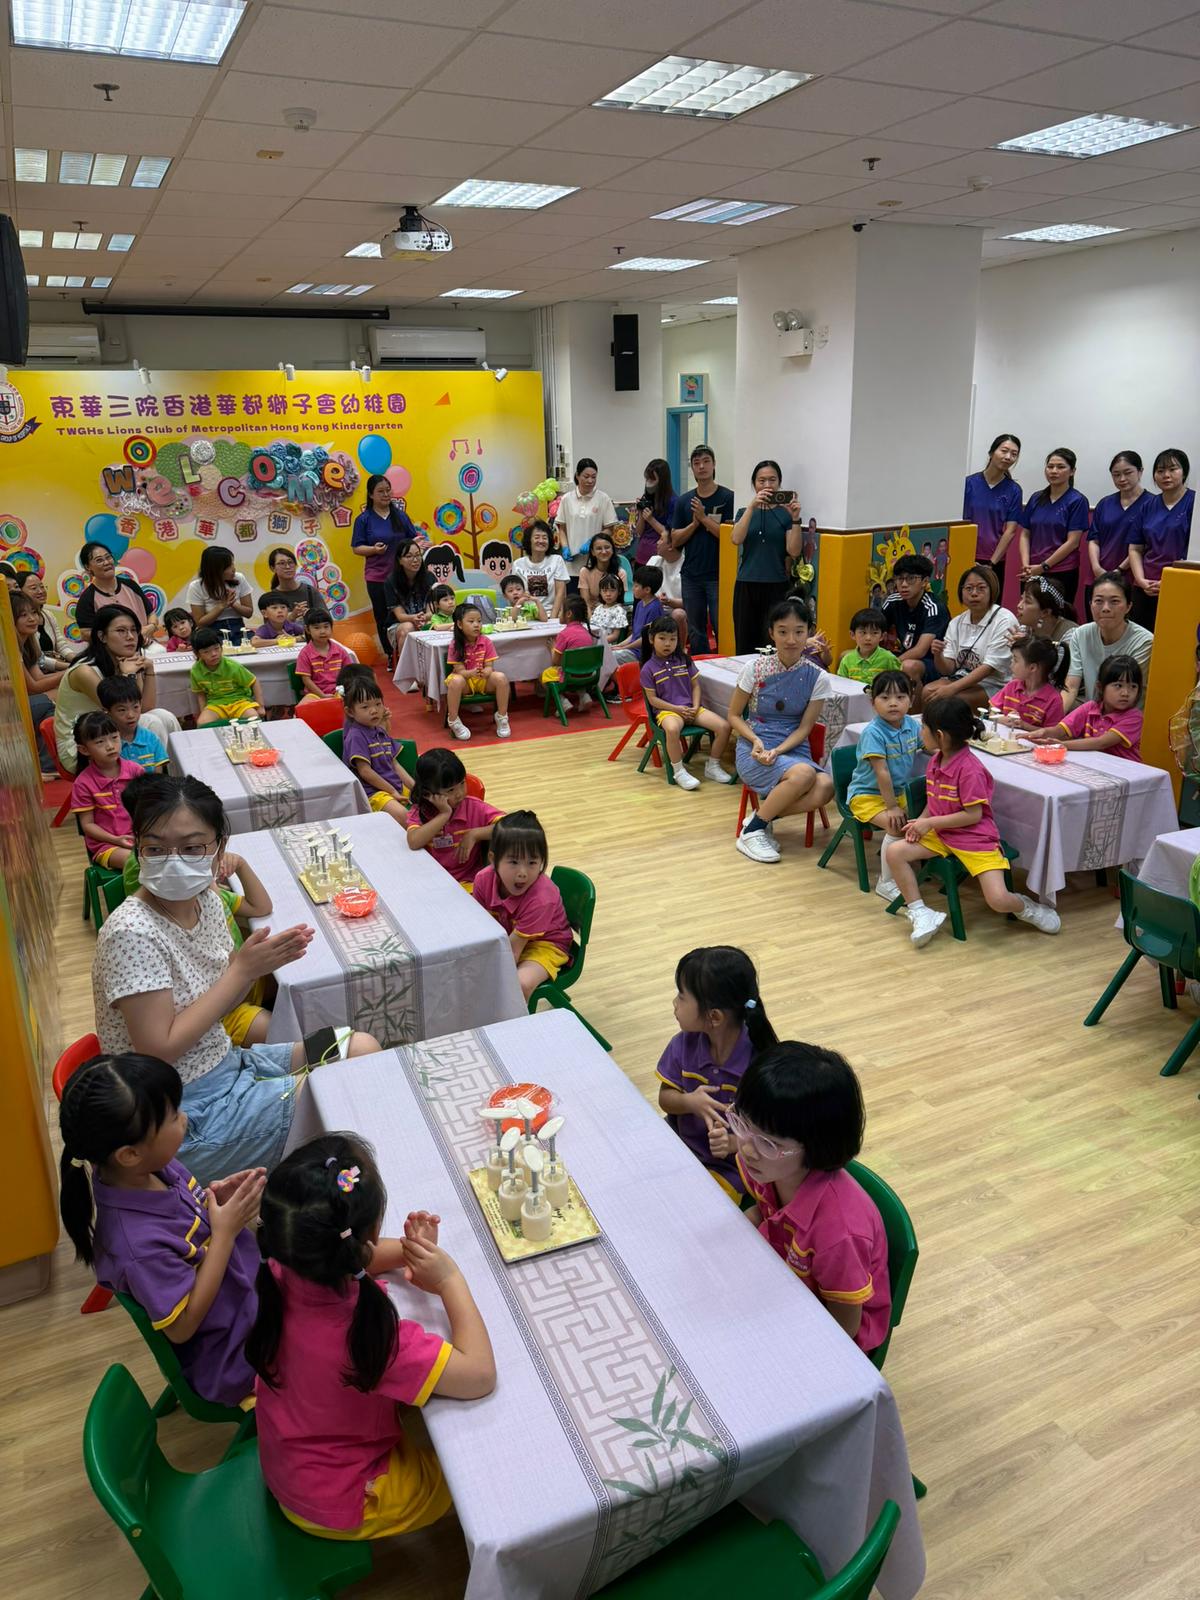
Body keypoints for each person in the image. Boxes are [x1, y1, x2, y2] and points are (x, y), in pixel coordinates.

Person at [92, 773, 380, 1183]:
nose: (173, 861)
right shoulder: (132, 933)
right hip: (181, 1114)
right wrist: (243, 970)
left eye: (191, 847)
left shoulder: (206, 900)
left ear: (218, 849)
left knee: (359, 1048)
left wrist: (251, 968)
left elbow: (226, 999)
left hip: (230, 1066)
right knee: (336, 1093)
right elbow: (157, 1050)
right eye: (156, 848)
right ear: (138, 847)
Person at [246, 1133, 495, 1542]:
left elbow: (349, 1256)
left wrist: (412, 1251)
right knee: (476, 1478)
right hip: (338, 1498)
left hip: (292, 1459)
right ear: (373, 1230)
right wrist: (448, 1279)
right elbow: (480, 1374)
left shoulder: (280, 1268)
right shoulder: (371, 1340)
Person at [58, 1051, 263, 1408]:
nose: (185, 1118)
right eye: (173, 1116)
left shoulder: (151, 1169)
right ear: (129, 1154)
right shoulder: (136, 1247)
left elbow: (189, 1222)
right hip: (235, 1353)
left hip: (250, 1292)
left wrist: (214, 1199)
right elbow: (181, 1328)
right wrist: (225, 1233)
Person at [731, 1041, 889, 1354]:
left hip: (831, 1335)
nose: (747, 1148)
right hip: (784, 1288)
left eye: (768, 1142)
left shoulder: (839, 1232)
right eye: (742, 1124)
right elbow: (766, 1211)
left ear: (817, 1147)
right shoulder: (770, 1168)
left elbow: (846, 1326)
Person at [885, 695, 1061, 947]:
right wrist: (920, 823)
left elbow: (973, 815)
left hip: (974, 839)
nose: (920, 731)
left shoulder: (970, 770)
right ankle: (920, 912)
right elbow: (934, 800)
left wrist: (930, 824)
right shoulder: (936, 760)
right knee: (895, 852)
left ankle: (1027, 908)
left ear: (940, 735)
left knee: (998, 900)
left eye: (923, 727)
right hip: (943, 834)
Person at [656, 945, 778, 1200]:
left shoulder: (759, 1064)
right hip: (679, 1145)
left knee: (693, 1205)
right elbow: (665, 1099)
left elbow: (771, 1136)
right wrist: (689, 1102)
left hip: (728, 1169)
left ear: (714, 1017)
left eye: (681, 996)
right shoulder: (683, 1044)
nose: (674, 1003)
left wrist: (733, 1143)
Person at [729, 598, 835, 862]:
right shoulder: (755, 668)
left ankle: (759, 820)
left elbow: (805, 727)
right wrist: (756, 742)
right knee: (804, 774)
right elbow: (733, 716)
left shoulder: (818, 677)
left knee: (826, 786)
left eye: (799, 631)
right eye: (783, 631)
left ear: (809, 633)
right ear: (771, 633)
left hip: (793, 747)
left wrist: (778, 751)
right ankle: (752, 833)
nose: (791, 639)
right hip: (754, 747)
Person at [53, 603, 178, 772]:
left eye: (134, 630)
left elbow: (144, 708)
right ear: (102, 636)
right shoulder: (84, 671)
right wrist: (128, 675)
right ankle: (158, 782)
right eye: (121, 631)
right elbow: (117, 709)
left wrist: (149, 670)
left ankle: (178, 777)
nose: (131, 637)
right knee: (151, 722)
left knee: (165, 716)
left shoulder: (125, 661)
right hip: (84, 745)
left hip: (113, 732)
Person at [471, 810, 572, 1000]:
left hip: (545, 944)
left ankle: (513, 1019)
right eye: (514, 862)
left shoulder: (542, 898)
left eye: (532, 862)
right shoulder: (483, 880)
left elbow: (513, 951)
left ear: (542, 861)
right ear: (493, 859)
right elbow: (480, 926)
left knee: (519, 984)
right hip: (510, 938)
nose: (523, 872)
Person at [846, 671, 922, 900]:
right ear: (873, 702)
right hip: (867, 796)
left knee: (925, 818)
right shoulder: (874, 732)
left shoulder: (911, 724)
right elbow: (882, 772)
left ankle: (912, 865)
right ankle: (886, 882)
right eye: (885, 698)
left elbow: (927, 745)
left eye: (900, 697)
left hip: (898, 793)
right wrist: (892, 807)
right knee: (896, 825)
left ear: (911, 700)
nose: (893, 703)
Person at [639, 616, 734, 792]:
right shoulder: (647, 668)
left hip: (691, 708)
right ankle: (679, 771)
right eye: (662, 638)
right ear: (652, 639)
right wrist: (676, 709)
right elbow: (653, 700)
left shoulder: (684, 660)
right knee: (672, 729)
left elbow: (696, 686)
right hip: (668, 711)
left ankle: (713, 765)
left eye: (673, 639)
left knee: (724, 726)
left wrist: (695, 706)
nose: (667, 643)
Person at [730, 460, 804, 654]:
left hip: (776, 585)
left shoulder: (785, 513)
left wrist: (795, 518)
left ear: (779, 483)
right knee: (745, 642)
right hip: (746, 584)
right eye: (761, 481)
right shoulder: (744, 512)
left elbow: (794, 551)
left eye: (772, 480)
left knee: (771, 643)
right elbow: (736, 539)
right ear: (754, 483)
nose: (767, 485)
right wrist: (751, 507)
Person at [925, 564, 1018, 708]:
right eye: (968, 588)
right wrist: (938, 655)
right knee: (928, 692)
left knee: (951, 701)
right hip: (960, 678)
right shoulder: (956, 622)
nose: (974, 593)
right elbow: (948, 669)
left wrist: (952, 688)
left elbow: (989, 667)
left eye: (981, 588)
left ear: (992, 590)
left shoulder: (1004, 620)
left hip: (994, 684)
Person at [405, 747, 502, 884]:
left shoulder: (474, 807)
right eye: (450, 790)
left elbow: (511, 827)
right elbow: (414, 842)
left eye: (462, 783)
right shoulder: (420, 811)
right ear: (428, 793)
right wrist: (444, 815)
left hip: (467, 883)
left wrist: (474, 834)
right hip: (430, 881)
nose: (460, 794)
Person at [672, 444, 734, 656]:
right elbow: (675, 539)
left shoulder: (728, 497)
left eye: (706, 461)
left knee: (722, 627)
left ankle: (726, 666)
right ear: (692, 468)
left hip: (719, 575)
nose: (701, 466)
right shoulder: (684, 501)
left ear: (714, 464)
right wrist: (694, 524)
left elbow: (730, 537)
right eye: (696, 463)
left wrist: (704, 518)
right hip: (691, 575)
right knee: (696, 631)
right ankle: (700, 668)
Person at [352, 475, 424, 655]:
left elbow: (412, 539)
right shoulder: (364, 519)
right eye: (380, 491)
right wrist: (373, 549)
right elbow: (357, 548)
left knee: (405, 613)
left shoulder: (400, 516)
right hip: (377, 577)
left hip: (403, 576)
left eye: (388, 490)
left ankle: (409, 652)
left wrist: (419, 543)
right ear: (371, 495)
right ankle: (390, 655)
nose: (386, 495)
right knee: (383, 616)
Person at [1062, 572, 1153, 712]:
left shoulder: (1144, 642)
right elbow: (1071, 687)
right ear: (1090, 605)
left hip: (1127, 718)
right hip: (1093, 715)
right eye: (1099, 601)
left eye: (1114, 601)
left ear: (1128, 606)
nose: (1105, 608)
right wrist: (1053, 720)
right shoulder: (1081, 634)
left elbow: (1125, 697)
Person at [1032, 654, 1144, 762]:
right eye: (1118, 685)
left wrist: (1062, 744)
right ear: (1100, 687)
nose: (1126, 693)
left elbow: (1101, 743)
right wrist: (1042, 733)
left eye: (1133, 687)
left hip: (1125, 770)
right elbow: (1060, 730)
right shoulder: (1090, 707)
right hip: (1097, 763)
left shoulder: (1134, 717)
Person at [1128, 447, 1194, 629]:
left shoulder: (1194, 503)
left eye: (1173, 469)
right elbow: (1135, 548)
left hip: (1182, 583)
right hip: (1146, 585)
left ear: (1184, 472)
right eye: (1160, 470)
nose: (1166, 475)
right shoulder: (1147, 506)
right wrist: (1141, 580)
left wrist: (1170, 581)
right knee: (1143, 636)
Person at [70, 711, 143, 870]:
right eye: (100, 742)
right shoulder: (83, 783)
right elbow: (87, 825)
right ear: (84, 749)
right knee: (138, 863)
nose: (110, 746)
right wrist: (116, 840)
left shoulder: (136, 771)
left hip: (142, 838)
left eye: (114, 737)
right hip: (107, 845)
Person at [1018, 448, 1090, 605]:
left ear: (1072, 471)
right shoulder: (1036, 498)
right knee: (1029, 612)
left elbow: (1073, 542)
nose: (1054, 471)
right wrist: (1026, 565)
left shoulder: (1077, 501)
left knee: (1057, 614)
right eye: (1050, 466)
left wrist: (1043, 567)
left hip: (1061, 571)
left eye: (1060, 467)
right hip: (1031, 570)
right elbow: (1025, 534)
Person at [342, 674, 416, 821]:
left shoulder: (380, 731)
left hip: (394, 786)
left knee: (429, 803)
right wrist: (392, 791)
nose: (374, 710)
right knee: (404, 816)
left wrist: (415, 787)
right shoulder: (356, 735)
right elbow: (365, 772)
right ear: (350, 712)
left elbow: (394, 764)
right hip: (374, 792)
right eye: (365, 707)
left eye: (378, 704)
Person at [881, 553, 949, 700]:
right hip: (904, 655)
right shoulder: (892, 601)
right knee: (847, 656)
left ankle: (914, 713)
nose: (904, 584)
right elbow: (876, 630)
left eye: (911, 579)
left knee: (908, 667)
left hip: (935, 663)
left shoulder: (934, 607)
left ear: (925, 581)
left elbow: (920, 650)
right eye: (900, 579)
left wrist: (889, 664)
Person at [11, 591, 64, 773]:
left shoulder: (28, 642)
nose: (32, 618)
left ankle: (49, 765)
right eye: (23, 615)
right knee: (54, 700)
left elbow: (39, 678)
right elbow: (32, 687)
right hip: (8, 707)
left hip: (21, 700)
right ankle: (48, 766)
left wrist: (69, 673)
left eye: (33, 612)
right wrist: (70, 673)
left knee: (61, 693)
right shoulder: (9, 645)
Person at [1087, 451, 1148, 606]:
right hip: (1099, 576)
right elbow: (1094, 540)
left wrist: (1119, 571)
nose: (1122, 479)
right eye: (1116, 475)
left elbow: (1143, 545)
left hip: (1132, 579)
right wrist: (1097, 568)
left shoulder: (1152, 504)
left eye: (1128, 473)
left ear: (1140, 472)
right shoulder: (1105, 503)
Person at [444, 602, 511, 742]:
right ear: (460, 624)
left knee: (501, 678)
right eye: (471, 621)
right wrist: (471, 673)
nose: (476, 625)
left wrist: (486, 671)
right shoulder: (455, 644)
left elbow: (489, 666)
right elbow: (459, 671)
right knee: (456, 681)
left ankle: (502, 717)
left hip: (482, 680)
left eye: (479, 621)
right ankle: (453, 720)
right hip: (465, 682)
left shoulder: (486, 641)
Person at [963, 433, 1023, 573]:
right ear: (991, 453)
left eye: (1014, 454)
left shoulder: (1014, 490)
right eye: (1004, 451)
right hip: (964, 553)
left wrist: (991, 563)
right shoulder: (968, 484)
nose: (1008, 457)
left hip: (994, 559)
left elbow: (1011, 530)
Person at [75, 540, 151, 639]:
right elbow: (85, 633)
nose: (107, 562)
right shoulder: (87, 599)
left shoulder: (131, 585)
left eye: (108, 557)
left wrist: (151, 627)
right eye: (99, 560)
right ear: (87, 567)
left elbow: (151, 614)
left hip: (145, 644)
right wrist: (115, 639)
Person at [190, 627, 263, 726]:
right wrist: (203, 711)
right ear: (197, 654)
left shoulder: (233, 666)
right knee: (202, 723)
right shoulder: (196, 671)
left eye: (216, 648)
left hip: (240, 702)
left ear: (221, 647)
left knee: (253, 717)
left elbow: (254, 681)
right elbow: (200, 694)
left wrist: (261, 707)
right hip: (216, 704)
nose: (214, 654)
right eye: (206, 651)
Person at [990, 635, 1064, 731]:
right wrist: (1001, 719)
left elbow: (1052, 733)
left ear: (1032, 668)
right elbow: (992, 710)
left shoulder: (1053, 700)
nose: (1011, 664)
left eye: (1015, 660)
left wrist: (1025, 726)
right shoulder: (1012, 686)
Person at [96, 676, 168, 771]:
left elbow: (158, 775)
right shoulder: (106, 745)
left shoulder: (151, 738)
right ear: (107, 712)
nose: (131, 715)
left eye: (135, 707)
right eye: (122, 710)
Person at [541, 594, 598, 712]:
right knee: (576, 666)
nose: (559, 613)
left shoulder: (564, 635)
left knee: (544, 675)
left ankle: (562, 701)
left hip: (569, 676)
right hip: (588, 674)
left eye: (561, 610)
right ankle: (583, 695)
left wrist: (552, 648)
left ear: (568, 614)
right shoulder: (586, 632)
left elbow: (555, 662)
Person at [186, 545, 254, 642]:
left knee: (254, 642)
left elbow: (249, 613)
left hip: (238, 627)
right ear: (215, 570)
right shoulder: (196, 586)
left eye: (232, 564)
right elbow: (200, 622)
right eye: (228, 567)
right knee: (217, 647)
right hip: (212, 631)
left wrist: (233, 603)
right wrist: (222, 606)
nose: (233, 569)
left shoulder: (239, 578)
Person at [555, 458, 617, 559]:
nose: (590, 481)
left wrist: (593, 541)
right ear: (577, 475)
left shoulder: (603, 498)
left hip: (596, 558)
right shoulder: (567, 499)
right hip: (572, 558)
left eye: (594, 477)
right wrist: (565, 547)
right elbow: (562, 529)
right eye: (586, 476)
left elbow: (610, 529)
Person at [385, 539, 435, 653]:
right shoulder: (391, 582)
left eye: (418, 555)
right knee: (408, 628)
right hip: (400, 624)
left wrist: (423, 618)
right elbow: (400, 616)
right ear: (399, 560)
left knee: (431, 625)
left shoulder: (429, 577)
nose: (415, 560)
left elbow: (431, 612)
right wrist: (414, 618)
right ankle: (406, 664)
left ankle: (431, 663)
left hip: (425, 619)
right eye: (409, 556)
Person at [16, 570, 75, 664]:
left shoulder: (48, 615)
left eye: (42, 586)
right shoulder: (20, 621)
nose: (40, 591)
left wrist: (76, 660)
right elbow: (36, 658)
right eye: (34, 588)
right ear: (20, 592)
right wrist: (66, 666)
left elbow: (61, 645)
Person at [512, 521, 568, 620]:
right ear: (529, 541)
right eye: (537, 537)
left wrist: (552, 619)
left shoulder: (557, 560)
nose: (541, 541)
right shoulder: (518, 564)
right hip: (526, 617)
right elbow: (513, 594)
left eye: (545, 538)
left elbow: (561, 593)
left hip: (551, 615)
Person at [297, 608, 355, 701]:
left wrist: (343, 691)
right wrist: (322, 695)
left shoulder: (340, 650)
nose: (322, 631)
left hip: (339, 692)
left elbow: (349, 673)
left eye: (326, 626)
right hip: (315, 695)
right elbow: (306, 680)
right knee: (304, 704)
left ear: (331, 627)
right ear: (308, 630)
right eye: (317, 628)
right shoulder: (305, 653)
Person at [612, 567, 665, 668]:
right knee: (608, 651)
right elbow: (635, 634)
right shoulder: (640, 604)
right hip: (632, 650)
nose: (633, 588)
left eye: (636, 586)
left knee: (609, 657)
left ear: (647, 590)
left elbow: (646, 638)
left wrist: (625, 648)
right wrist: (619, 645)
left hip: (641, 655)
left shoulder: (654, 608)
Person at [630, 458, 677, 567]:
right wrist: (641, 513)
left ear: (662, 481)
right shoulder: (646, 498)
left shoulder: (673, 502)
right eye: (647, 479)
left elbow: (670, 534)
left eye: (652, 479)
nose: (648, 483)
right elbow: (638, 532)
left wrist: (651, 520)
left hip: (660, 559)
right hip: (641, 556)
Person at [836, 607, 900, 685]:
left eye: (875, 633)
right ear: (852, 634)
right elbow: (841, 685)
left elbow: (899, 683)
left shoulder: (889, 659)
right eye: (863, 632)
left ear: (882, 636)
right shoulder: (847, 660)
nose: (868, 638)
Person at [578, 529, 633, 612]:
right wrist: (591, 619)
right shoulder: (585, 572)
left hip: (613, 612)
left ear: (612, 550)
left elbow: (619, 602)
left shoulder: (620, 573)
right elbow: (586, 603)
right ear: (592, 552)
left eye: (607, 547)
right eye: (599, 548)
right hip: (591, 612)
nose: (603, 552)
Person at [267, 547, 322, 619]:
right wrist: (292, 617)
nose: (287, 567)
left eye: (290, 562)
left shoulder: (310, 591)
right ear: (273, 568)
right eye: (282, 563)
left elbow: (326, 619)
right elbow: (270, 625)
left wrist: (310, 614)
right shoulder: (271, 598)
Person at [589, 572, 629, 647]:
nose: (608, 594)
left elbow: (615, 636)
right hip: (594, 643)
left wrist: (599, 641)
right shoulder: (598, 608)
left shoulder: (618, 610)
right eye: (605, 590)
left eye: (612, 590)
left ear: (619, 591)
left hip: (608, 646)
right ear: (600, 592)